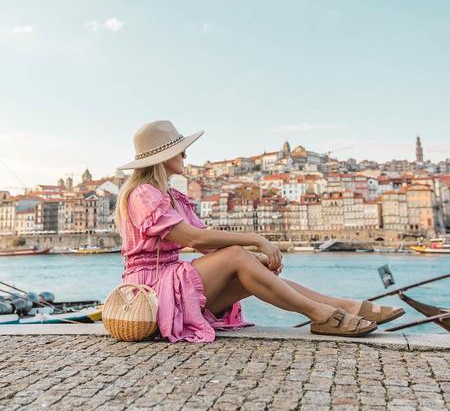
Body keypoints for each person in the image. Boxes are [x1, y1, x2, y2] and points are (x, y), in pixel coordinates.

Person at [115, 120, 405, 343]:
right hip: (149, 293)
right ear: (163, 156)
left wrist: (258, 259)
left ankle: (344, 306)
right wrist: (255, 240)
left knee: (251, 268)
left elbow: (207, 246)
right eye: (179, 149)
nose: (186, 154)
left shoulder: (172, 196)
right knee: (238, 255)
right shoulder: (142, 193)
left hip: (171, 286)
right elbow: (194, 238)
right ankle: (321, 314)